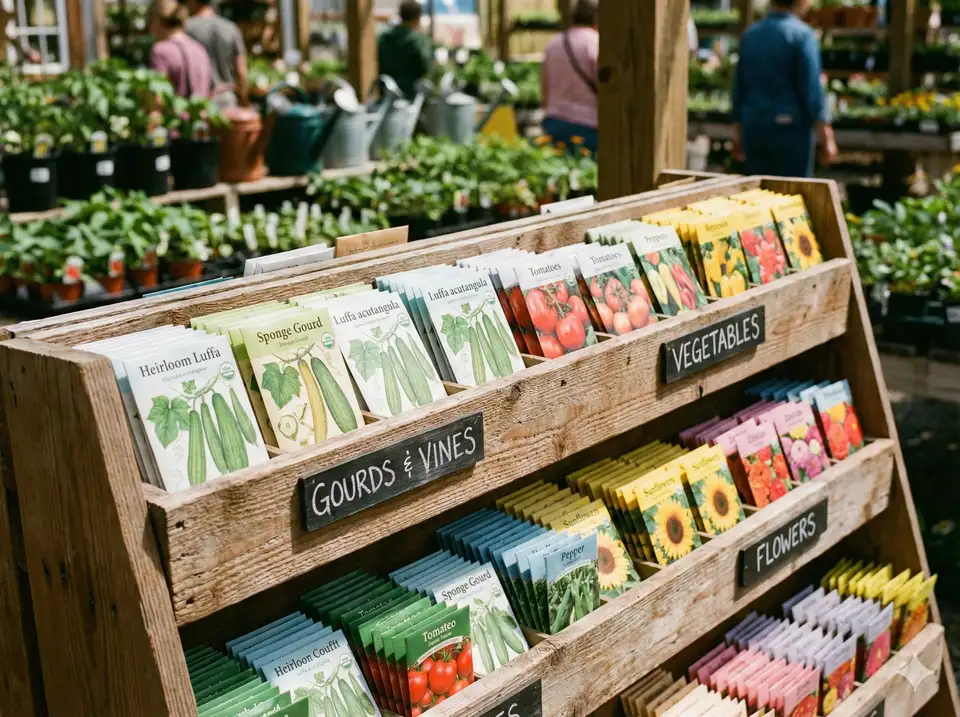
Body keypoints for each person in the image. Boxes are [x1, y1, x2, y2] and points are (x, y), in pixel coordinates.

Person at [732, 0, 837, 177]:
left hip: (755, 126)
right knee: (793, 194)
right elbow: (812, 90)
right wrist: (826, 136)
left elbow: (739, 87)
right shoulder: (803, 36)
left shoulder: (750, 35)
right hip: (790, 130)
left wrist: (737, 131)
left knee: (757, 194)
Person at [540, 0, 598, 153]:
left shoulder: (555, 42)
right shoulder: (595, 43)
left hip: (555, 120)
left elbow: (544, 85)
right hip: (588, 124)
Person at [184, 0, 249, 107]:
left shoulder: (187, 28)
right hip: (228, 98)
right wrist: (244, 101)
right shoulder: (231, 28)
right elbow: (241, 72)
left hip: (200, 101)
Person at [148, 0, 212, 98]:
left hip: (174, 113)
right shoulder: (200, 49)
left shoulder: (160, 51)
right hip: (201, 112)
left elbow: (158, 98)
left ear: (157, 20)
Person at [378, 1, 432, 99]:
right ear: (417, 17)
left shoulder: (384, 37)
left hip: (386, 91)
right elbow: (425, 65)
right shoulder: (417, 40)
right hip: (409, 93)